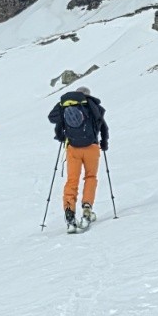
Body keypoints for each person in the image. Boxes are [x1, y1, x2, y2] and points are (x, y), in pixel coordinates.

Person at [48, 86, 107, 230]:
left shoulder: (65, 105)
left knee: (72, 180)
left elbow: (53, 119)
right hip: (91, 148)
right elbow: (103, 126)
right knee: (90, 177)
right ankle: (87, 207)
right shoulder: (93, 105)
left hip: (73, 148)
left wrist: (62, 136)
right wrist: (104, 143)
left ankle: (69, 212)